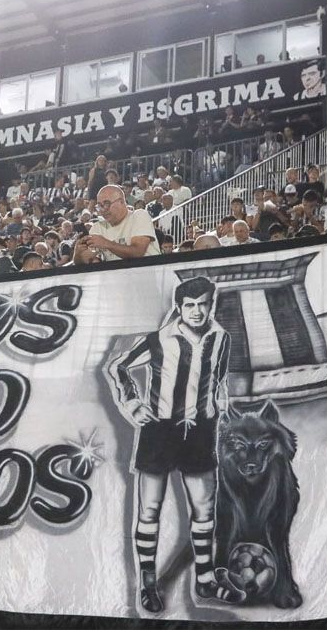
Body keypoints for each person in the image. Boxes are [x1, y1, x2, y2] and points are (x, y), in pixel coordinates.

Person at [106, 277, 236, 611]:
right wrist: (134, 406)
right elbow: (117, 367)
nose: (196, 311)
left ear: (211, 305)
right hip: (159, 432)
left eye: (202, 304)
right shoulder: (158, 339)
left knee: (204, 509)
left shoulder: (221, 338)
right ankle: (147, 585)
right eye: (189, 305)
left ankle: (205, 581)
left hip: (200, 431)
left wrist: (218, 408)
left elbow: (218, 379)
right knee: (150, 509)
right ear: (179, 308)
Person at [82, 185, 160, 261]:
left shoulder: (139, 216)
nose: (103, 209)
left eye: (107, 204)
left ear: (122, 202)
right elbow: (86, 260)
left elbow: (137, 252)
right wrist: (78, 253)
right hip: (115, 274)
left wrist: (106, 243)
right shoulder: (97, 228)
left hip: (145, 272)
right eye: (99, 206)